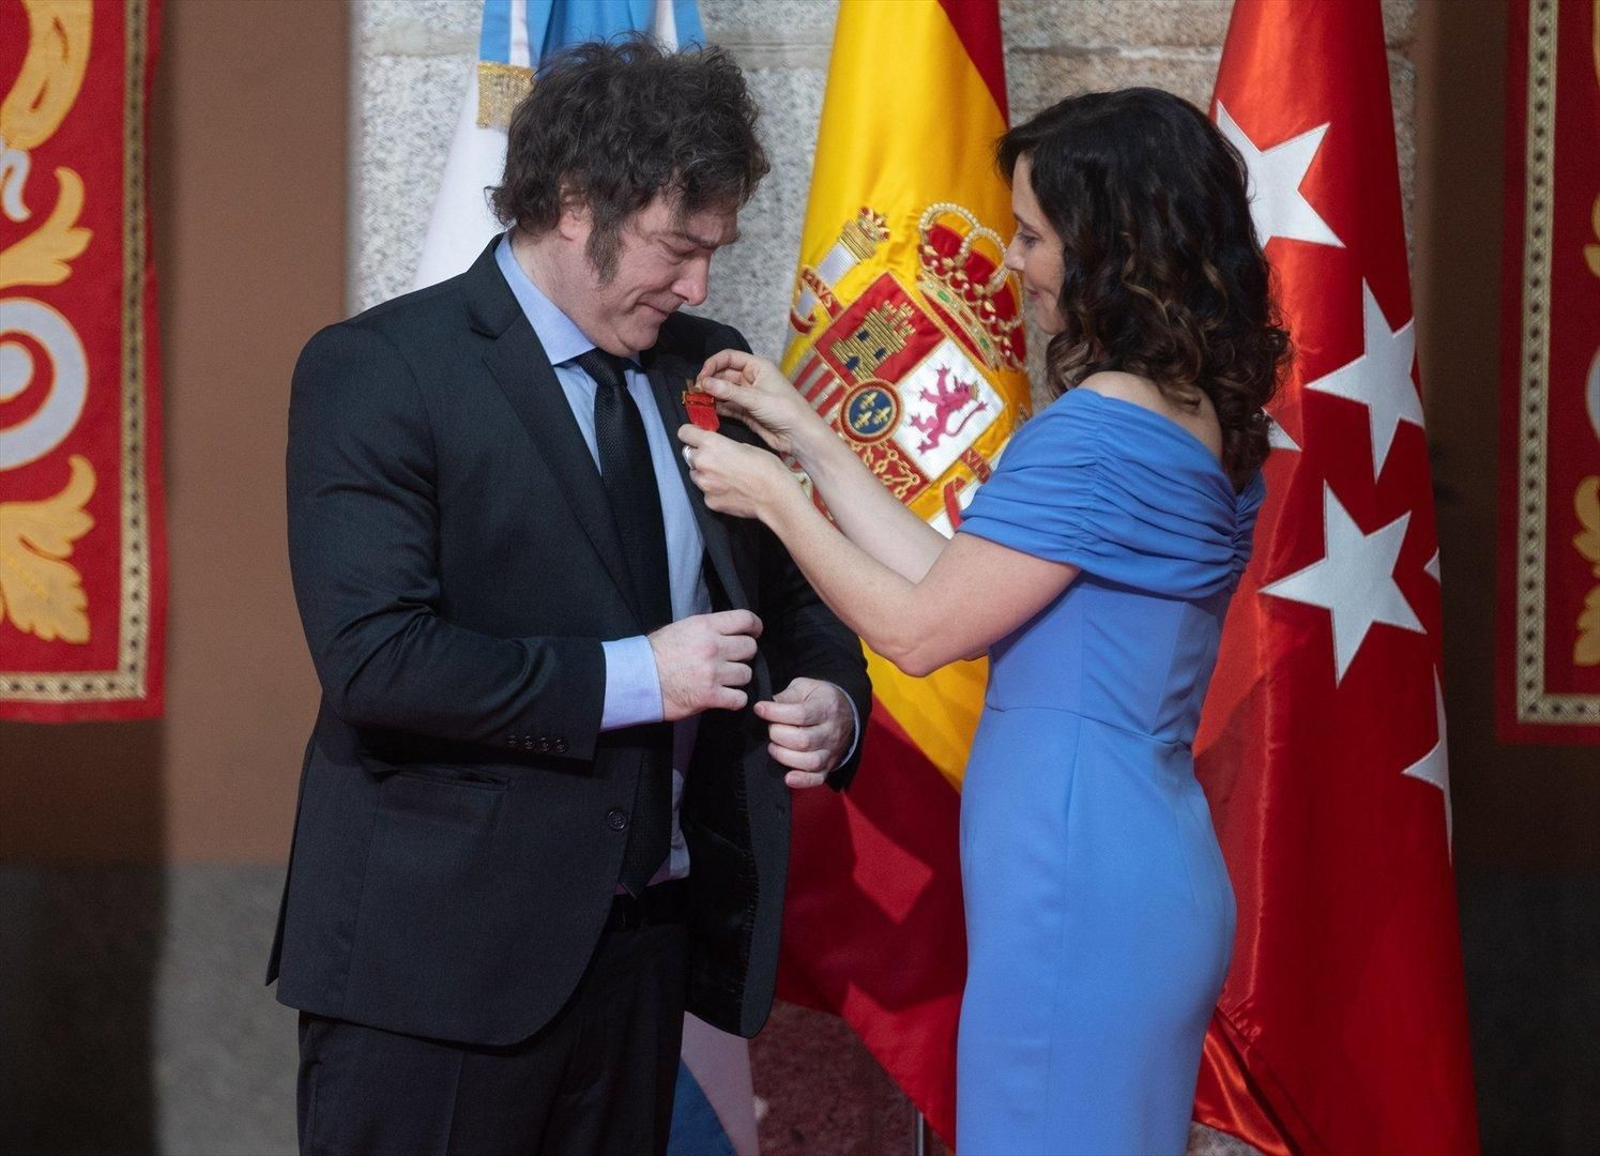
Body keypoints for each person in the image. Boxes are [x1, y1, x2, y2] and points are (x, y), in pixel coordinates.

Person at [270, 39, 870, 1156]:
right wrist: (645, 676)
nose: (698, 285)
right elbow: (375, 658)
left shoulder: (709, 364)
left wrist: (832, 697)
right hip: (435, 980)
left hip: (644, 957)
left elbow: (792, 598)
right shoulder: (379, 369)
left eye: (713, 252)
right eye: (677, 249)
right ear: (576, 203)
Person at [676, 87, 1290, 1155]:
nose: (1011, 260)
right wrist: (807, 440)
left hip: (1072, 883)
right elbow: (960, 581)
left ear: (1112, 245)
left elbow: (918, 633)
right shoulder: (1191, 409)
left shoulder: (1093, 429)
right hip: (1137, 862)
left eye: (1033, 234)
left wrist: (771, 499)